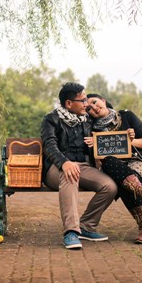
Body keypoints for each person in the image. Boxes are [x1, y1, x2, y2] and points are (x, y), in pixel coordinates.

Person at [41, 82, 117, 250]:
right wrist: (64, 163)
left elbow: (109, 116)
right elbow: (49, 145)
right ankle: (71, 231)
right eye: (82, 100)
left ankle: (86, 226)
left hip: (83, 166)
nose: (86, 104)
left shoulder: (88, 119)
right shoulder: (51, 119)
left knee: (109, 186)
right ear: (69, 103)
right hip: (56, 168)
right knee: (70, 175)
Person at [84, 93, 142, 244]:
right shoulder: (91, 129)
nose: (94, 108)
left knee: (123, 182)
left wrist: (131, 141)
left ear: (103, 101)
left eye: (95, 102)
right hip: (112, 167)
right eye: (89, 108)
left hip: (137, 163)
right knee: (111, 164)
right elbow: (96, 162)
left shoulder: (126, 116)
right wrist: (94, 145)